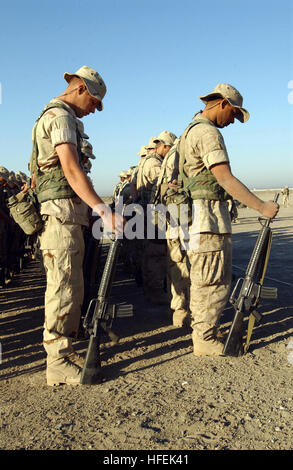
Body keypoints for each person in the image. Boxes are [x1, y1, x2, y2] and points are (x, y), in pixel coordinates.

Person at [30, 65, 122, 386]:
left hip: (67, 213)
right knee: (63, 285)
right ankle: (57, 361)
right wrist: (103, 210)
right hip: (61, 215)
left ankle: (64, 351)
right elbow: (70, 169)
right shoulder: (61, 117)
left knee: (71, 282)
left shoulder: (61, 116)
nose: (94, 111)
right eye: (94, 103)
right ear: (80, 88)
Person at [178, 83, 279, 356]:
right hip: (207, 218)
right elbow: (224, 177)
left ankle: (204, 330)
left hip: (197, 217)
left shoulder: (189, 131)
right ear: (222, 103)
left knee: (203, 278)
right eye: (233, 114)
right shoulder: (207, 133)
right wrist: (260, 206)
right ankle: (204, 338)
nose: (232, 121)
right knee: (212, 280)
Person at [137, 131, 177, 304]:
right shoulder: (154, 163)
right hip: (153, 213)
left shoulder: (147, 161)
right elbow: (161, 187)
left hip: (146, 212)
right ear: (166, 147)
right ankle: (154, 292)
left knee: (150, 254)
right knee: (156, 255)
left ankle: (151, 289)